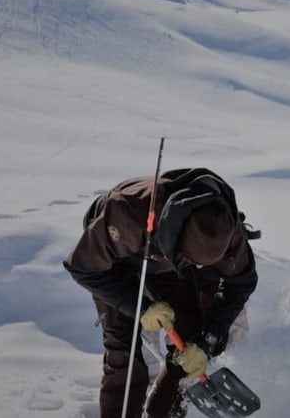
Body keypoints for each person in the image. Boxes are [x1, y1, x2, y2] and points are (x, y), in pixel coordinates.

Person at [64, 168, 259, 418]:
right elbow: (83, 267)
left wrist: (205, 342)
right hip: (111, 261)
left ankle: (164, 411)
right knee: (125, 350)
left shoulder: (227, 229)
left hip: (168, 265)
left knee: (189, 341)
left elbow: (240, 284)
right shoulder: (128, 213)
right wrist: (142, 308)